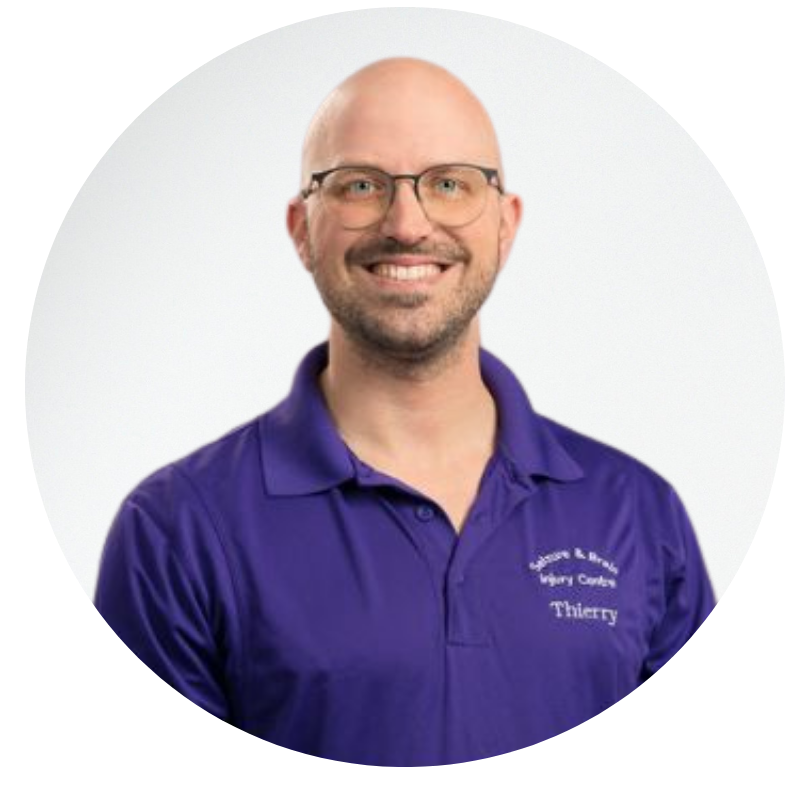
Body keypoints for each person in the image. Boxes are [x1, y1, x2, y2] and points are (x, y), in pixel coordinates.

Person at [94, 57, 715, 765]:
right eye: (361, 185)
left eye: (449, 184)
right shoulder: (176, 532)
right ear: (302, 227)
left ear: (506, 224)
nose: (408, 223)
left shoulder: (637, 514)